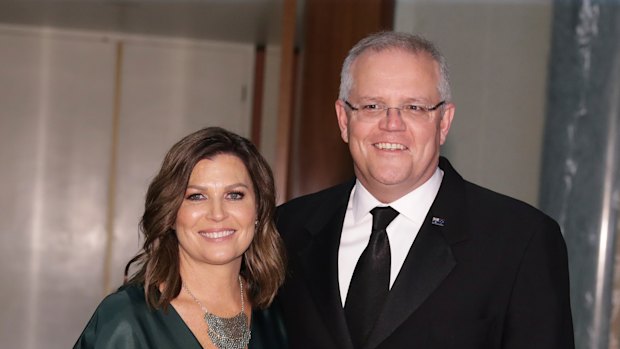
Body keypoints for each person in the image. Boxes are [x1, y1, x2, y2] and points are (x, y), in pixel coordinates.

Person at [275, 31, 574, 348]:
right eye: (373, 105)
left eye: (414, 107)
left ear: (444, 122)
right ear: (344, 120)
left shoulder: (520, 240)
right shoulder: (287, 229)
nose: (392, 124)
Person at [75, 127, 287, 349]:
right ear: (171, 215)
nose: (217, 214)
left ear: (259, 209)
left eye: (234, 195)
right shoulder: (126, 320)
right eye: (196, 196)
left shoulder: (279, 313)